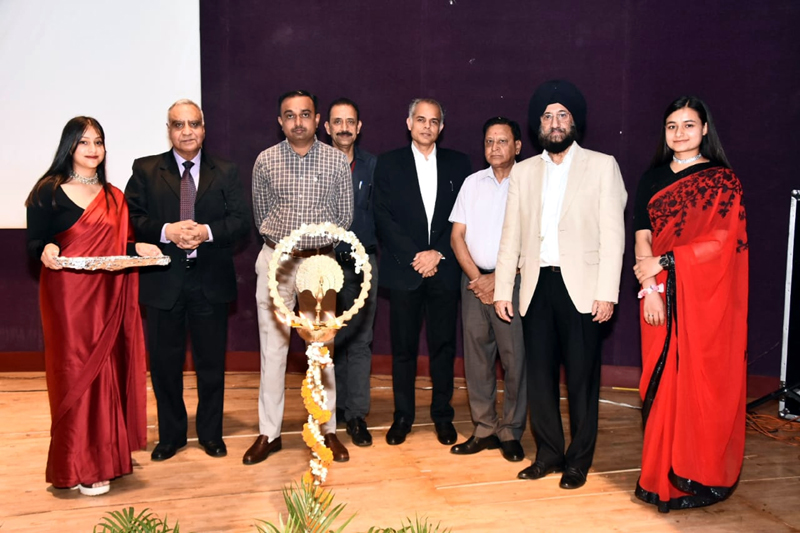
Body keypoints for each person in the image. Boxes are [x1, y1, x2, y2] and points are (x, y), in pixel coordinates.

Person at [494, 80, 627, 489]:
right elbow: (510, 235)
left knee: (583, 380)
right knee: (539, 377)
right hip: (536, 288)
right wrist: (502, 289)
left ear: (575, 122)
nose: (555, 123)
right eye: (547, 116)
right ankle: (549, 454)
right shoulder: (525, 171)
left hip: (584, 290)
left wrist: (607, 291)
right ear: (539, 125)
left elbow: (613, 235)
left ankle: (577, 461)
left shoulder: (602, 165)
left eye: (562, 115)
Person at [26, 117, 159, 496]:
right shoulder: (47, 192)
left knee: (108, 372)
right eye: (83, 142)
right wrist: (47, 249)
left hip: (108, 294)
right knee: (74, 373)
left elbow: (119, 246)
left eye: (98, 141)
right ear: (69, 147)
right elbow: (35, 243)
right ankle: (74, 463)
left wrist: (139, 248)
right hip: (66, 296)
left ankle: (104, 460)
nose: (92, 149)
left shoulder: (115, 197)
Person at [632, 96, 748, 512]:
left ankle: (696, 474)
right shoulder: (652, 178)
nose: (679, 133)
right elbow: (642, 236)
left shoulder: (722, 181)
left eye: (688, 125)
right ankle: (657, 475)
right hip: (658, 291)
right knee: (661, 384)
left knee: (700, 380)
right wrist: (651, 289)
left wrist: (665, 262)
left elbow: (721, 242)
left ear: (704, 129)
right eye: (671, 126)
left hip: (704, 298)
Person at [125, 99, 250, 462]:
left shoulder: (225, 171)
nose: (186, 131)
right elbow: (133, 217)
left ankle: (211, 434)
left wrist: (206, 232)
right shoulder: (146, 169)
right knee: (165, 366)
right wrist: (168, 230)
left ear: (204, 128)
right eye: (178, 125)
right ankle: (171, 437)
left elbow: (241, 221)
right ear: (169, 130)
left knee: (211, 364)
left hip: (209, 281)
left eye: (193, 123)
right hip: (164, 282)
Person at [246, 90, 353, 465]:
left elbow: (344, 217)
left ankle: (326, 430)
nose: (297, 121)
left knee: (321, 352)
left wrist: (316, 249)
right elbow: (261, 214)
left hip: (320, 264)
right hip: (277, 259)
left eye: (305, 114)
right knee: (272, 349)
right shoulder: (265, 161)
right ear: (280, 121)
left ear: (317, 118)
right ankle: (268, 433)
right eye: (289, 115)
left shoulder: (336, 161)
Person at [374, 98, 471, 446]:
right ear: (409, 123)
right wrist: (417, 256)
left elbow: (464, 217)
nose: (426, 126)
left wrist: (438, 254)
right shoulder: (388, 164)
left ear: (441, 128)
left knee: (443, 346)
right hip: (405, 270)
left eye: (433, 121)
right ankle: (403, 417)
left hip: (444, 271)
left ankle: (442, 416)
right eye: (420, 119)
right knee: (403, 349)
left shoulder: (460, 164)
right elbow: (382, 216)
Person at [448, 117, 527, 462]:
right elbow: (456, 236)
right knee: (477, 360)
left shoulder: (530, 183)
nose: (495, 148)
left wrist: (500, 280)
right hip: (473, 283)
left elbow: (536, 242)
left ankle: (510, 431)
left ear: (518, 147)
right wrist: (479, 279)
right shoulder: (471, 183)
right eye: (489, 142)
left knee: (515, 360)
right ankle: (484, 429)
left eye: (502, 141)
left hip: (515, 283)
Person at [324, 97, 378, 447]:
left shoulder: (375, 167)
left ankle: (356, 415)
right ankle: (330, 412)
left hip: (363, 264)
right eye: (337, 121)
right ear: (326, 127)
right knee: (327, 341)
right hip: (322, 264)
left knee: (359, 341)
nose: (344, 127)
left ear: (359, 127)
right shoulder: (312, 165)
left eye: (350, 121)